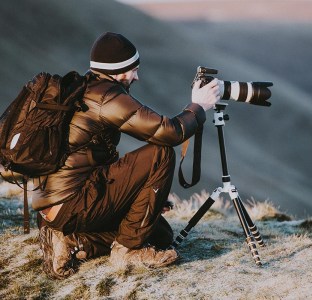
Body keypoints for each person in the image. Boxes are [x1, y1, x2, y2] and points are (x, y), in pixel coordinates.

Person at [34, 31, 220, 279]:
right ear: (120, 70)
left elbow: (94, 160)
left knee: (159, 233)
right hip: (74, 202)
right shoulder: (107, 97)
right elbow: (169, 132)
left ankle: (73, 242)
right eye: (134, 69)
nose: (137, 76)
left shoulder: (83, 89)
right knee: (160, 154)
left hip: (53, 206)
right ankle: (128, 251)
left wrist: (140, 194)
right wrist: (198, 106)